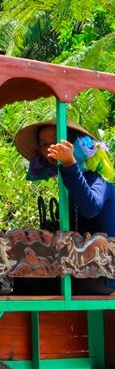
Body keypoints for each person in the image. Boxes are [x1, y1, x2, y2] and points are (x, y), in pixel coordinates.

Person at [13, 119, 115, 294]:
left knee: (26, 283)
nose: (50, 149)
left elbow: (90, 208)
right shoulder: (68, 183)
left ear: (75, 143)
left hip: (102, 274)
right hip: (79, 268)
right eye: (44, 144)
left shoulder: (96, 179)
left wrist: (69, 164)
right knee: (20, 277)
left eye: (55, 141)